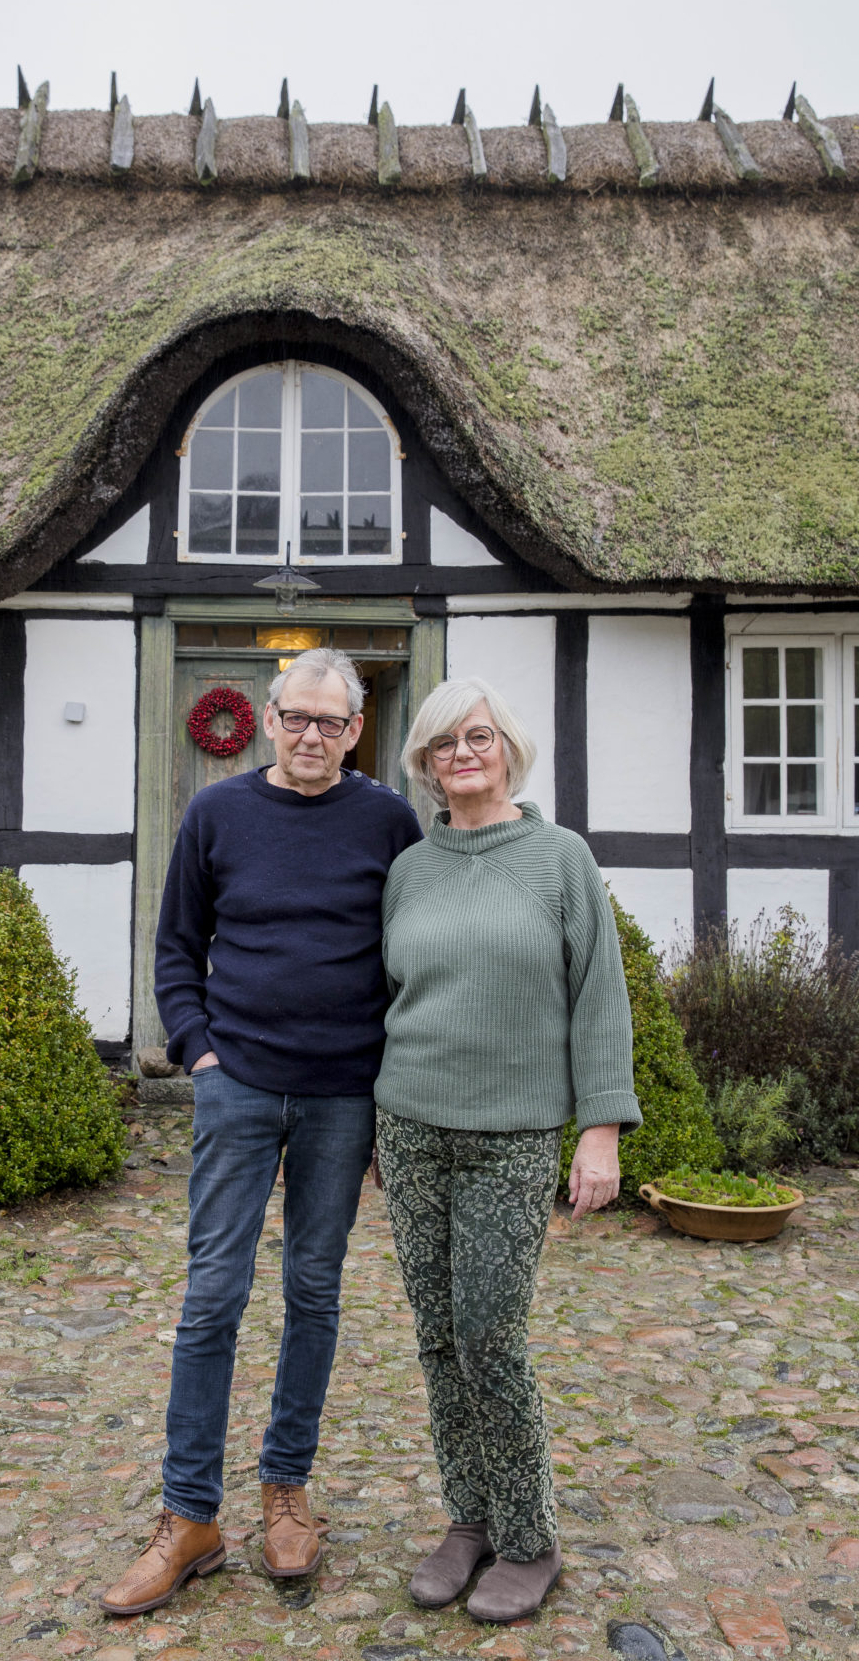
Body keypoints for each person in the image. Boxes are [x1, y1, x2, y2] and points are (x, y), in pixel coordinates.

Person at [101, 648, 422, 1616]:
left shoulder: (388, 823)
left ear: (355, 730)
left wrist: (387, 1090)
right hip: (237, 1088)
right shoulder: (216, 815)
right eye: (297, 717)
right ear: (270, 717)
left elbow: (409, 954)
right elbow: (174, 947)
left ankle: (287, 1492)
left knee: (313, 1294)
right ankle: (188, 1515)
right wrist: (200, 1056)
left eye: (332, 722)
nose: (312, 735)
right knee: (212, 1296)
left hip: (341, 1097)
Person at [374, 677, 640, 1624]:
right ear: (425, 763)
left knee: (490, 1333)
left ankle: (529, 1537)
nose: (462, 755)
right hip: (408, 1128)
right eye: (443, 744)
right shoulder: (411, 869)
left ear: (508, 746)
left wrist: (599, 1128)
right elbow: (388, 997)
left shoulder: (559, 859)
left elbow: (599, 995)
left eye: (476, 736)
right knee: (439, 1335)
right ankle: (469, 1518)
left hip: (512, 1136)